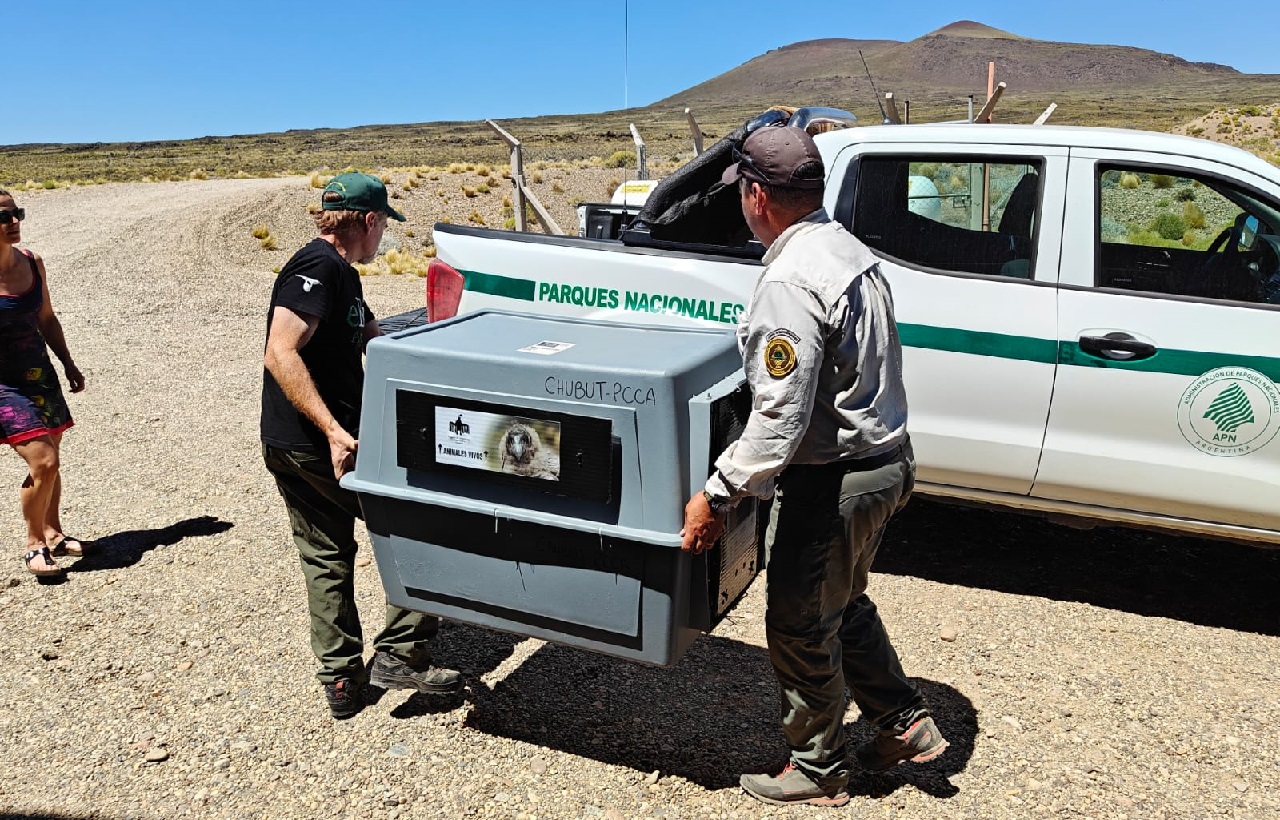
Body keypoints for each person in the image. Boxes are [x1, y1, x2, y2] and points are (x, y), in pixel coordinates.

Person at [680, 128, 946, 807]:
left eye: (741, 190)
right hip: (887, 461)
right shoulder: (843, 247)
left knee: (798, 621)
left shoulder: (792, 280)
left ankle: (818, 766)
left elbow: (781, 418)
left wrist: (717, 493)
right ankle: (902, 723)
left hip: (836, 478)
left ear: (758, 193)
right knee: (840, 599)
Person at [261, 172, 460, 719]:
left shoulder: (343, 274)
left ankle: (342, 681)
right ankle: (401, 653)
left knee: (325, 554)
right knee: (420, 526)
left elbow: (370, 334)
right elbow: (281, 353)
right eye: (383, 228)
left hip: (292, 442)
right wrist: (332, 429)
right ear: (369, 221)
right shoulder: (317, 267)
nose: (384, 240)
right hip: (317, 443)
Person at [0, 189, 87, 578]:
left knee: (51, 459)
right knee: (44, 460)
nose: (14, 221)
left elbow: (47, 318)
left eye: (16, 213)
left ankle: (52, 532)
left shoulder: (33, 263)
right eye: (4, 217)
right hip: (4, 386)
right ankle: (34, 544)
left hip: (39, 375)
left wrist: (67, 361)